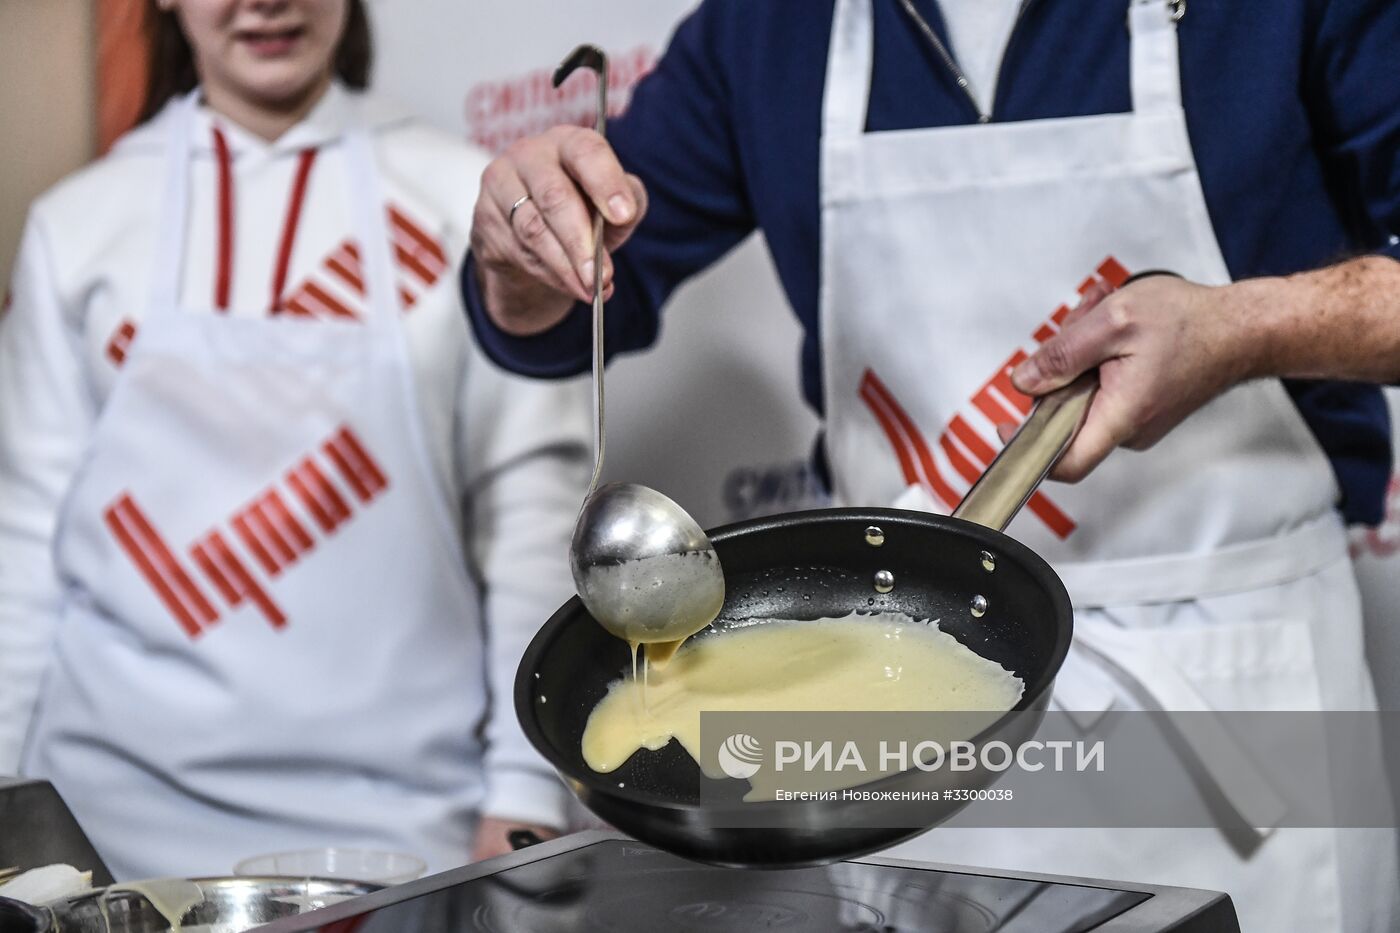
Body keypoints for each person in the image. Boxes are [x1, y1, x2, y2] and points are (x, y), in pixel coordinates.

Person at [462, 0, 1400, 929]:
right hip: (886, 718)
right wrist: (524, 247)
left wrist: (1244, 328)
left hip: (1232, 701)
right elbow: (554, 318)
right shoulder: (769, 28)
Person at [0, 0, 590, 878]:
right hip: (103, 834)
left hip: (403, 835)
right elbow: (25, 542)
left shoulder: (467, 209)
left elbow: (530, 510)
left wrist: (522, 794)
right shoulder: (78, 223)